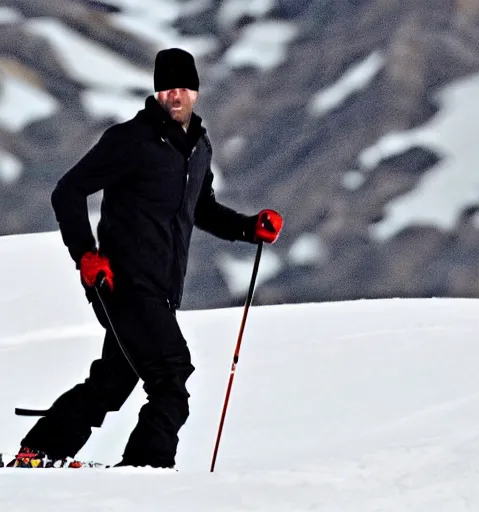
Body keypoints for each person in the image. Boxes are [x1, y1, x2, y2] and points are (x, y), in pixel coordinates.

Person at [10, 48, 283, 469]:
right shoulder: (130, 140)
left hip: (161, 289)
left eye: (182, 88)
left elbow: (202, 208)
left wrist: (249, 227)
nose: (174, 96)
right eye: (165, 89)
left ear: (195, 91)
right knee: (172, 376)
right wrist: (86, 255)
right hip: (123, 285)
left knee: (114, 379)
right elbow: (67, 191)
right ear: (157, 93)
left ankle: (40, 451)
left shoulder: (199, 149)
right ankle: (145, 467)